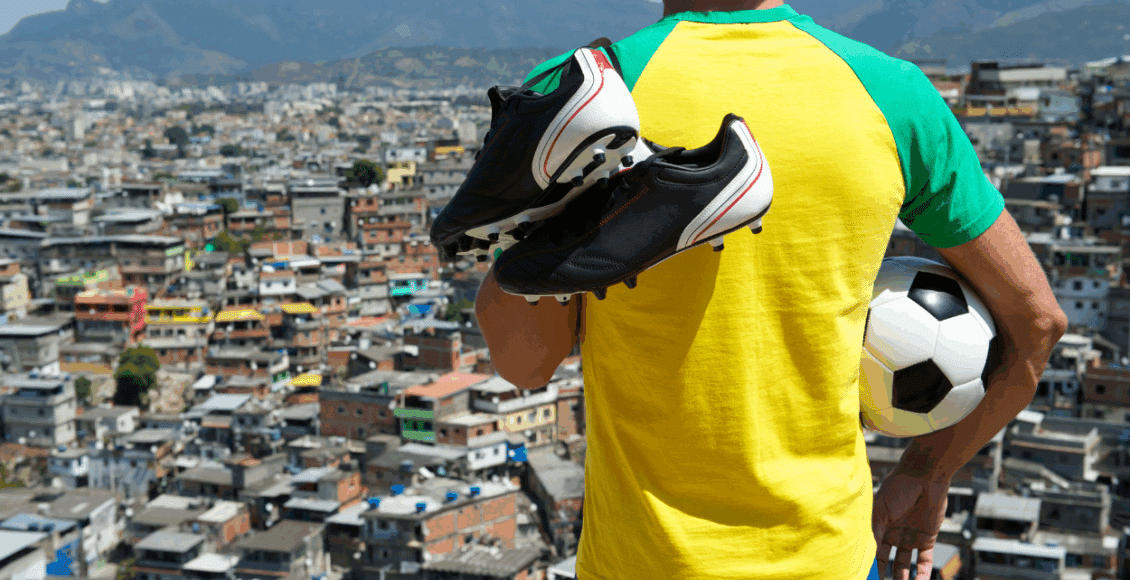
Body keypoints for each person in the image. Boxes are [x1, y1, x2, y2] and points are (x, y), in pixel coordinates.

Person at [473, 1, 1069, 579]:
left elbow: (526, 364)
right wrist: (928, 471)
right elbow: (1038, 323)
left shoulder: (584, 93)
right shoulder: (892, 94)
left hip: (643, 561)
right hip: (828, 559)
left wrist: (536, 252)